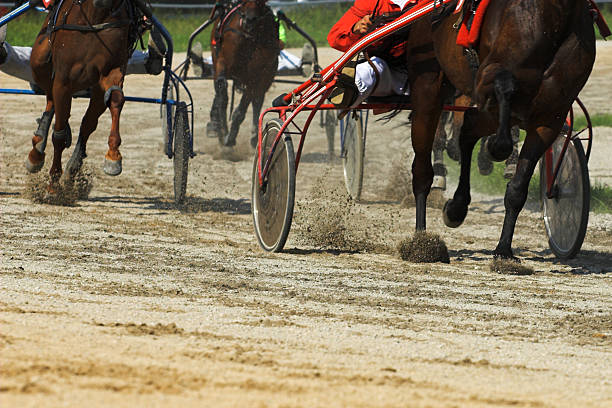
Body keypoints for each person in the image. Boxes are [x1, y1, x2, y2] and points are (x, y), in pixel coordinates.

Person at [0, 23, 166, 86]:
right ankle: (147, 61)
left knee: (106, 57)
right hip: (51, 73)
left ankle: (148, 61)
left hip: (87, 72)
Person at [327, 0, 416, 108]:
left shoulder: (431, 2)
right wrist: (355, 29)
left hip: (423, 73)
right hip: (384, 71)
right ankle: (342, 99)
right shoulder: (371, 2)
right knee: (362, 74)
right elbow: (336, 38)